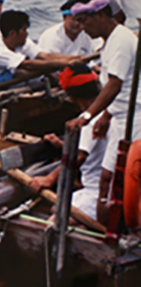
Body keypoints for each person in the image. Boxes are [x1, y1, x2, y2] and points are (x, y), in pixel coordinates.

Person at [65, 0, 141, 225]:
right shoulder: (109, 41)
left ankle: (126, 231)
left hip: (135, 118)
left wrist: (86, 116)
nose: (81, 27)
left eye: (84, 21)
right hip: (119, 117)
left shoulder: (121, 39)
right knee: (107, 181)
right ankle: (104, 232)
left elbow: (115, 85)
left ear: (100, 15)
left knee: (127, 181)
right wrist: (106, 116)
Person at [28, 64, 107, 220]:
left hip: (97, 193)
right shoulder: (108, 114)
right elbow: (95, 149)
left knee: (53, 220)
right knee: (54, 207)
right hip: (113, 190)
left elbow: (79, 157)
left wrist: (49, 179)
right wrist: (62, 145)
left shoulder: (89, 122)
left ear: (71, 96)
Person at [0, 10, 78, 92]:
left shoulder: (22, 42)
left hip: (8, 79)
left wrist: (71, 58)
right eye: (24, 30)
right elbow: (27, 64)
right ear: (13, 33)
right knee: (24, 72)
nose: (27, 34)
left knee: (36, 72)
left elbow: (43, 56)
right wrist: (63, 64)